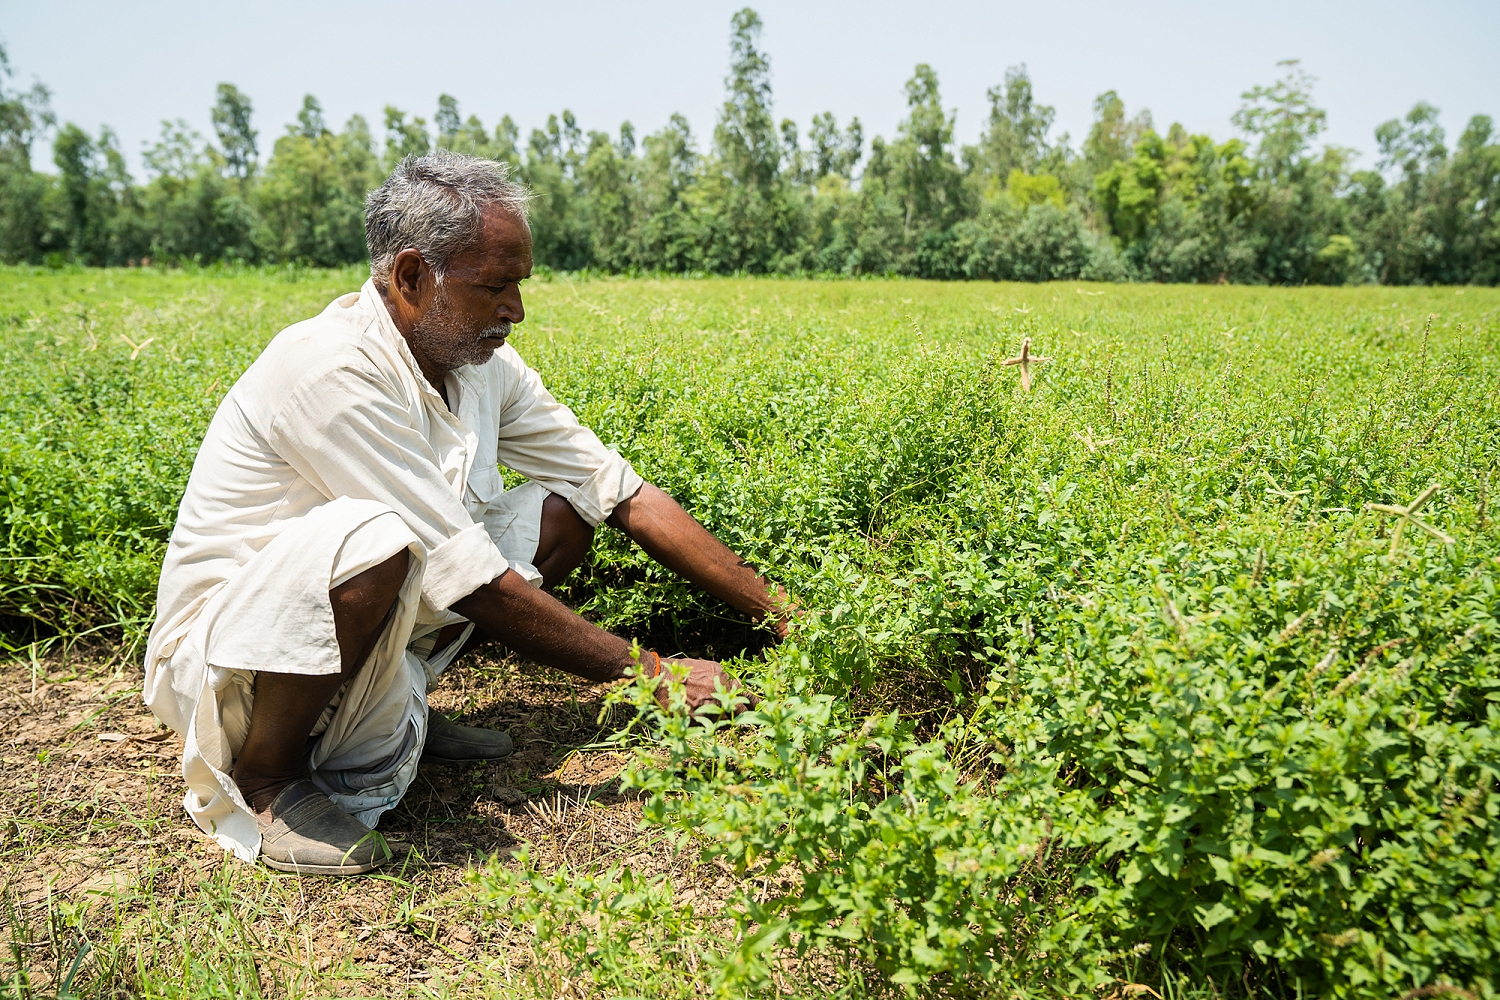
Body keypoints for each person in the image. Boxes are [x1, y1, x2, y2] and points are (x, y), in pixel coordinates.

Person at [142, 150, 789, 876]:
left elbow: (619, 492)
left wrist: (790, 617)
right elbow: (467, 577)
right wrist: (653, 674)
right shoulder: (327, 368)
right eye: (496, 286)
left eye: (519, 284)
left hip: (345, 630)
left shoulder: (481, 367)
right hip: (231, 664)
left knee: (563, 509)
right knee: (381, 539)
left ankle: (394, 706)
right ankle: (269, 781)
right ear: (413, 276)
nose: (516, 309)